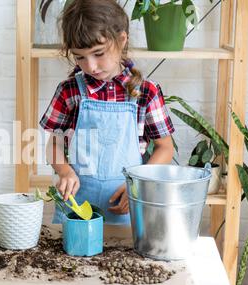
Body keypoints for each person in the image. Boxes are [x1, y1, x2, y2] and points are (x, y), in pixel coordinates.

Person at [39, 0, 175, 225]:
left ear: (121, 40)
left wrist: (137, 184)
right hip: (76, 210)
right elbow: (53, 145)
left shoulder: (146, 92)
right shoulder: (69, 91)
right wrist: (64, 171)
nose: (91, 66)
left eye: (98, 53)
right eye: (80, 56)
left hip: (127, 207)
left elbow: (165, 148)